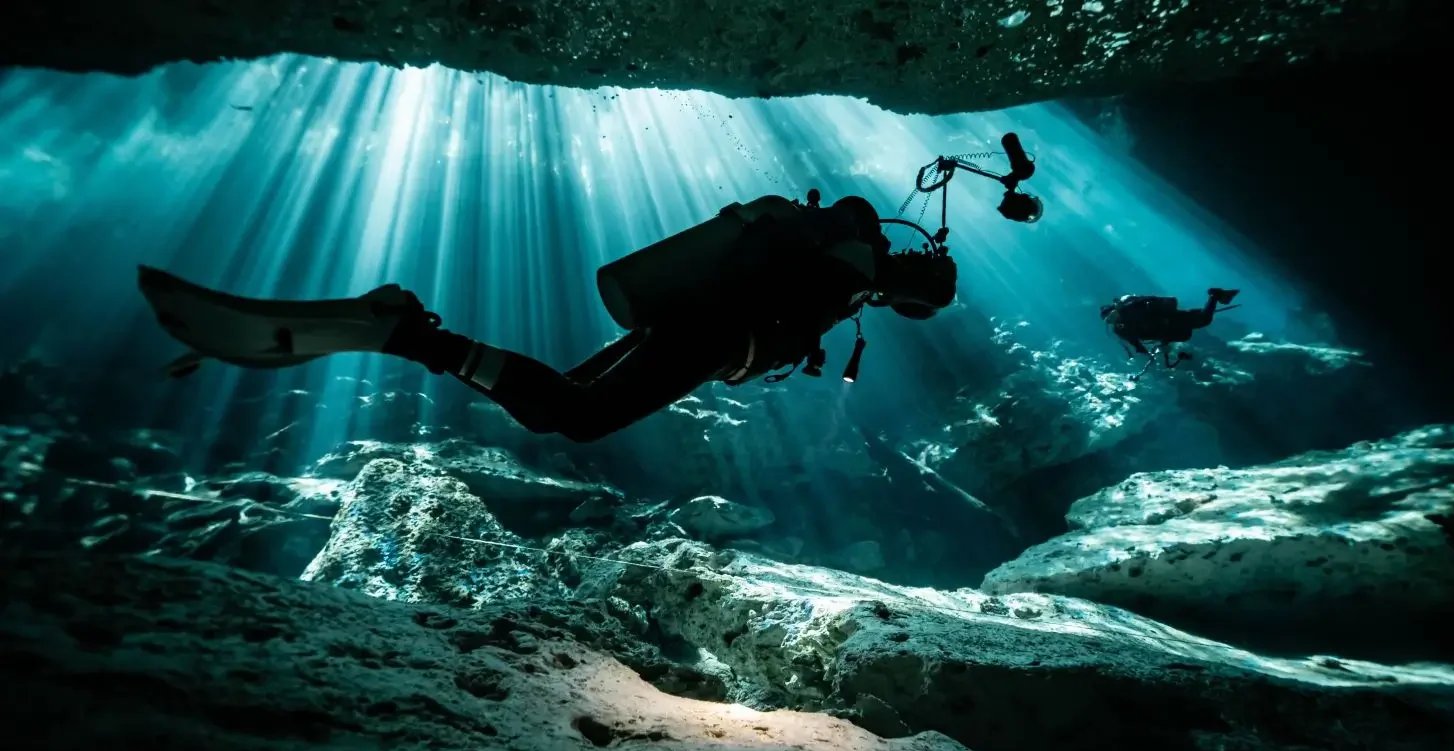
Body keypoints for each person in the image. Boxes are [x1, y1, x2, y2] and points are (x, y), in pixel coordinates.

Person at [138, 194, 961, 443]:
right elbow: (818, 298)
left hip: (699, 326)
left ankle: (407, 332)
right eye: (919, 296)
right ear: (913, 272)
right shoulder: (856, 265)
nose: (908, 307)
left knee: (558, 400)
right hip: (713, 335)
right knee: (577, 418)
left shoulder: (846, 262)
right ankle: (406, 333)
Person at [1100, 287, 1240, 368]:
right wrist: (1147, 355)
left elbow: (1151, 308)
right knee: (1199, 320)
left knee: (1203, 320)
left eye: (1110, 315)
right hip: (1167, 331)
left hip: (1171, 321)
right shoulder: (1121, 329)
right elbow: (1135, 343)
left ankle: (1214, 295)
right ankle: (1217, 297)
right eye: (1108, 320)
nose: (1111, 319)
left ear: (1114, 310)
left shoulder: (1129, 308)